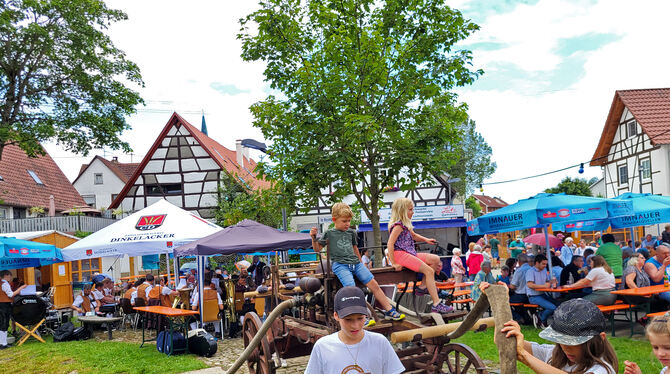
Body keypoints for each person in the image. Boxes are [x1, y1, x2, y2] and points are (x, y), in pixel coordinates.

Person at [311, 203, 406, 320]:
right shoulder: (329, 233)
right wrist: (313, 237)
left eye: (349, 221)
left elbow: (355, 249)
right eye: (344, 221)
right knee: (351, 288)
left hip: (355, 263)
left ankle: (389, 310)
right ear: (334, 220)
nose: (347, 224)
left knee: (374, 285)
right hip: (340, 265)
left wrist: (361, 264)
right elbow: (317, 249)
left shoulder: (351, 232)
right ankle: (360, 317)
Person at [304, 287, 405, 374]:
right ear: (336, 316)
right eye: (348, 319)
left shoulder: (380, 342)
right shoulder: (323, 346)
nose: (355, 326)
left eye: (360, 318)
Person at [501, 298, 617, 374]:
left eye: (573, 342)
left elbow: (523, 353)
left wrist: (525, 356)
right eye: (561, 339)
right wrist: (502, 301)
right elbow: (505, 342)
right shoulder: (554, 354)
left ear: (600, 338)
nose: (565, 347)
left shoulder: (602, 369)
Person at [384, 198, 451, 314]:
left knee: (435, 259)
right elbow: (390, 243)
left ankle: (423, 287)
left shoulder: (405, 225)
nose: (413, 212)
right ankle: (436, 304)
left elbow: (414, 236)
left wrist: (426, 240)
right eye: (410, 210)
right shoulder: (398, 226)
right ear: (402, 211)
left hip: (409, 253)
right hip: (401, 254)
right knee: (429, 271)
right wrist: (393, 262)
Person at [526, 254, 559, 327]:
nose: (545, 266)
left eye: (546, 264)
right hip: (533, 296)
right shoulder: (530, 271)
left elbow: (547, 281)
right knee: (552, 307)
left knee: (559, 304)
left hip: (542, 294)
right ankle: (540, 317)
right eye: (543, 264)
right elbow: (530, 285)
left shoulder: (544, 270)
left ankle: (542, 318)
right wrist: (544, 286)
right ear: (537, 263)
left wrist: (552, 281)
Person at [1, 270, 26, 348]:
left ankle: (2, 342)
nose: (10, 278)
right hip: (4, 305)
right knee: (4, 323)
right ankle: (3, 344)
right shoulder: (5, 284)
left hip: (1, 305)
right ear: (6, 275)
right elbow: (10, 294)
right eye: (10, 276)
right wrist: (21, 288)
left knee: (2, 323)